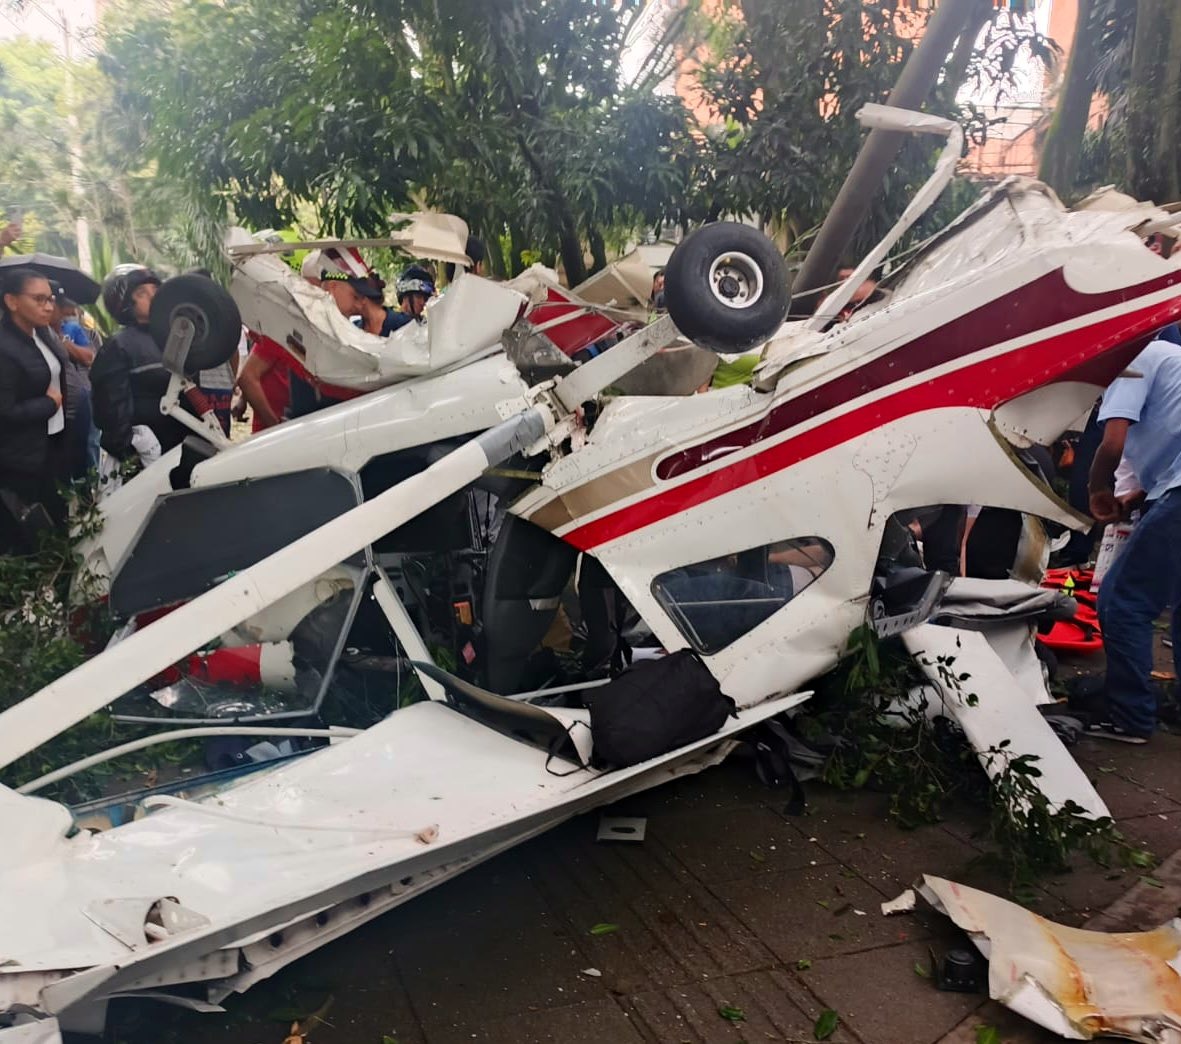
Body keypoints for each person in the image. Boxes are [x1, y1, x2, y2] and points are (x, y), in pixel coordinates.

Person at [1087, 337, 1181, 743]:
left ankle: (1130, 717)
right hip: (1172, 488)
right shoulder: (1171, 358)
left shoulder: (1132, 358)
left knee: (1123, 600)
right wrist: (1140, 495)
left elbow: (1114, 441)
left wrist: (1097, 488)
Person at [91, 264, 213, 462]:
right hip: (150, 455)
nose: (152, 296)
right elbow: (111, 409)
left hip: (189, 445)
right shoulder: (119, 346)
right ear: (124, 303)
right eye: (141, 293)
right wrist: (130, 454)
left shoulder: (176, 335)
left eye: (155, 289)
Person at [0, 268, 71, 549]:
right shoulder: (4, 348)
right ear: (12, 301)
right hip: (21, 456)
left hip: (54, 442)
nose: (48, 306)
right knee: (28, 531)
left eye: (50, 299)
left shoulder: (42, 334)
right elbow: (4, 411)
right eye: (39, 299)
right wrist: (48, 404)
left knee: (57, 520)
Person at [50, 286, 99, 479]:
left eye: (51, 303)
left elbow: (88, 357)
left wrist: (61, 340)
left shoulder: (73, 329)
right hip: (57, 406)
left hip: (81, 398)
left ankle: (92, 487)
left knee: (89, 444)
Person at [386, 264, 436, 333]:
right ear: (405, 296)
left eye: (425, 299)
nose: (423, 303)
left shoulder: (425, 325)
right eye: (418, 296)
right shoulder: (390, 324)